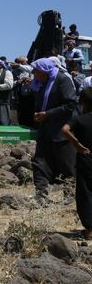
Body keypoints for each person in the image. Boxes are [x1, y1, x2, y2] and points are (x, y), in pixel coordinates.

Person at [31, 57, 77, 204]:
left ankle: (70, 195)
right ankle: (41, 194)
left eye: (36, 70)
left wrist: (48, 114)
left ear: (44, 71)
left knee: (66, 164)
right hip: (45, 129)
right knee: (40, 161)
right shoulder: (40, 84)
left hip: (62, 130)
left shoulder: (62, 80)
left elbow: (70, 104)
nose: (33, 73)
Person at [61, 88, 92, 239]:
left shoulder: (80, 119)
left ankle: (90, 229)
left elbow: (65, 130)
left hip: (86, 158)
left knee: (85, 193)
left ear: (83, 103)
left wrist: (77, 144)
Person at [11, 56, 35, 127]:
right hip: (19, 96)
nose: (21, 64)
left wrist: (30, 80)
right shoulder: (14, 71)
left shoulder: (31, 69)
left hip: (30, 96)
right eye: (19, 62)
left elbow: (35, 81)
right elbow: (11, 83)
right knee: (20, 114)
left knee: (30, 113)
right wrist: (18, 82)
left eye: (23, 62)